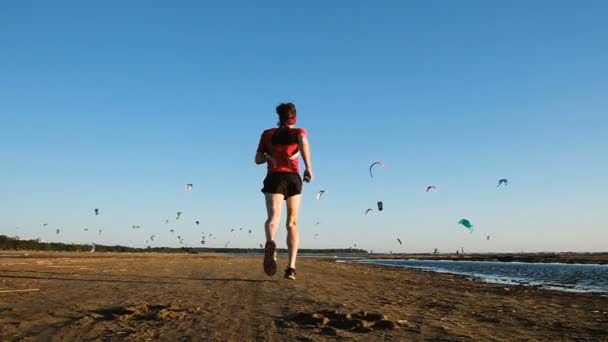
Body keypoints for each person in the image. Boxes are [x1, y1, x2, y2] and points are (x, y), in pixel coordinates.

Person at [255, 102, 313, 280]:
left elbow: (257, 160)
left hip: (274, 178)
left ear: (279, 117)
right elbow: (303, 141)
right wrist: (308, 167)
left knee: (273, 218)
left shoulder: (267, 134)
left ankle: (271, 241)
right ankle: (291, 268)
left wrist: (269, 156)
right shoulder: (299, 132)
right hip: (293, 179)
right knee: (292, 223)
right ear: (294, 117)